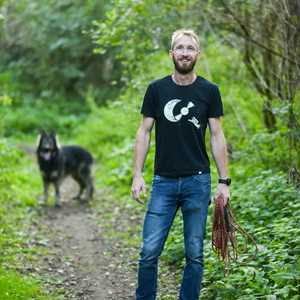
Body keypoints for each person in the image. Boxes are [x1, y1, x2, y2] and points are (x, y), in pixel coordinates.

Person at [131, 29, 231, 300]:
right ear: (171, 53)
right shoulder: (157, 89)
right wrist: (137, 175)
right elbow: (144, 132)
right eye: (180, 47)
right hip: (163, 181)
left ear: (197, 54)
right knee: (149, 252)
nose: (185, 52)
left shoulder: (210, 91)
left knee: (195, 255)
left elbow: (217, 135)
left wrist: (224, 182)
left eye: (190, 48)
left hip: (197, 182)